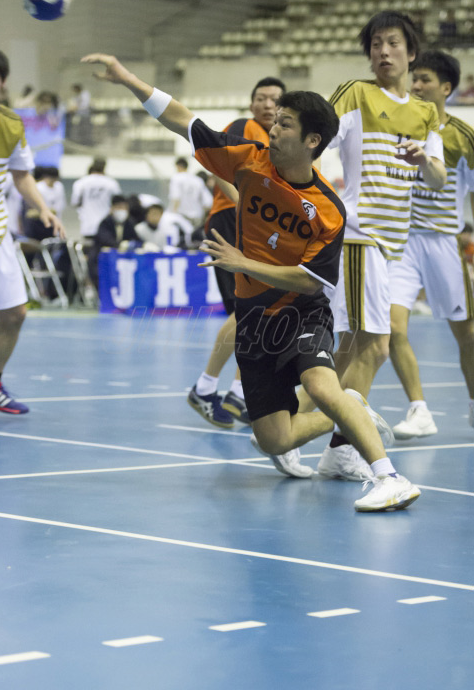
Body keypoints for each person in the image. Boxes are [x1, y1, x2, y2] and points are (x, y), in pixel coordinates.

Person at [80, 51, 422, 512]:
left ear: (312, 141)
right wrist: (127, 79)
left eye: (284, 124)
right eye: (275, 121)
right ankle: (353, 408)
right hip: (255, 320)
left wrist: (244, 262)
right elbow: (183, 120)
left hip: (301, 313)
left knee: (321, 387)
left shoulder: (328, 210)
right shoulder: (248, 159)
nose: (273, 130)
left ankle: (390, 478)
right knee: (273, 440)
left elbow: (310, 283)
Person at [297, 11, 446, 481]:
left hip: (394, 244)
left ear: (411, 52)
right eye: (376, 44)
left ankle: (286, 423)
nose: (383, 51)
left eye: (392, 43)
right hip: (361, 236)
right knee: (376, 347)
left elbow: (438, 178)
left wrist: (424, 161)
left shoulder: (426, 112)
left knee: (350, 348)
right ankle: (341, 448)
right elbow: (314, 141)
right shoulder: (356, 94)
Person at [188, 77, 286, 429]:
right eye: (261, 98)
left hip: (259, 227)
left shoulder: (280, 140)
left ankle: (236, 395)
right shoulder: (244, 127)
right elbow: (216, 165)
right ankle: (208, 388)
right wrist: (245, 205)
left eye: (274, 99)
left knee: (260, 314)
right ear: (250, 104)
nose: (267, 104)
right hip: (233, 220)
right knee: (250, 311)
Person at [389, 51, 474, 437]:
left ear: (446, 88)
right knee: (392, 327)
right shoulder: (396, 127)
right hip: (401, 243)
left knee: (467, 333)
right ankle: (419, 410)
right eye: (415, 79)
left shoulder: (463, 137)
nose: (417, 86)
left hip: (444, 243)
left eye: (425, 79)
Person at [0, 49, 64, 414]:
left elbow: (21, 174)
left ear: (2, 82)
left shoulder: (10, 124)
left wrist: (44, 207)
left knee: (15, 313)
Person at [88, 194, 139, 287]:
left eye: (124, 208)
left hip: (123, 260)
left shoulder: (129, 223)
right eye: (119, 207)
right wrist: (121, 245)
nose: (122, 211)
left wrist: (139, 245)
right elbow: (106, 240)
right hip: (103, 259)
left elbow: (136, 239)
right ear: (112, 209)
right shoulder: (105, 223)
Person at [70, 158, 121, 240]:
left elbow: (75, 202)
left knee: (89, 246)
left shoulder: (80, 183)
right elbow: (119, 203)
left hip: (88, 226)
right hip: (106, 226)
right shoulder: (112, 183)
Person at [168, 157, 213, 232]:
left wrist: (173, 215)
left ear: (178, 166)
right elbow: (208, 202)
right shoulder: (198, 180)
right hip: (197, 218)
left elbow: (176, 198)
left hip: (182, 217)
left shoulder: (176, 178)